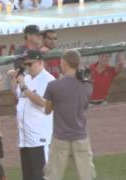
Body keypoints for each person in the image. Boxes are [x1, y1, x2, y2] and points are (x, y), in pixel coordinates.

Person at [44, 49, 96, 180]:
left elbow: (47, 110)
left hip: (60, 137)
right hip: (80, 135)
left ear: (64, 63)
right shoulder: (87, 85)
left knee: (52, 176)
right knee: (86, 176)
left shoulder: (53, 86)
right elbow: (84, 107)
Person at [8, 49, 55, 180]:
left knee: (41, 176)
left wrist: (23, 86)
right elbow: (18, 94)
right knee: (28, 176)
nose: (27, 67)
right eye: (25, 64)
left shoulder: (49, 80)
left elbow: (43, 102)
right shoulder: (27, 78)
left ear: (40, 62)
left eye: (30, 64)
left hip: (39, 138)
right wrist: (14, 80)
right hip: (25, 138)